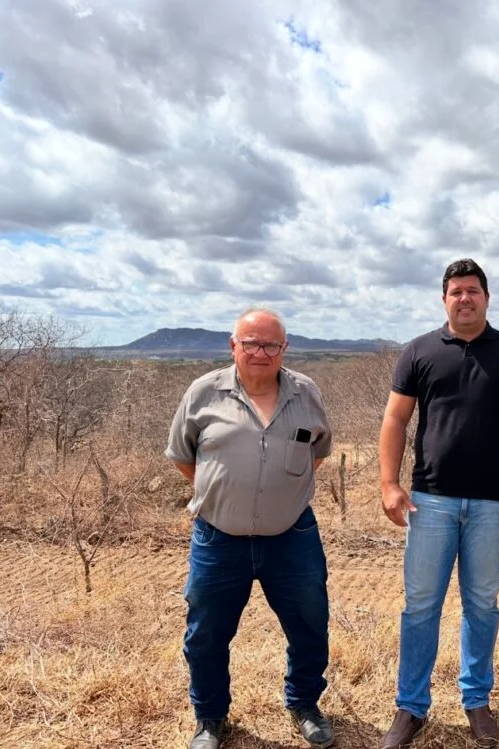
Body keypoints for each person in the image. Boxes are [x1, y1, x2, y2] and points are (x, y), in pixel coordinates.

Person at [378, 258, 499, 748]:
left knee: (482, 604)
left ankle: (476, 700)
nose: (465, 298)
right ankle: (411, 708)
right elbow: (395, 421)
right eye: (456, 291)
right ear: (445, 298)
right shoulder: (419, 351)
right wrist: (389, 483)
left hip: (495, 504)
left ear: (487, 298)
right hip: (430, 500)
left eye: (473, 290)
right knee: (420, 607)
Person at [165, 308, 335, 749]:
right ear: (233, 345)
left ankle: (304, 703)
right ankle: (210, 717)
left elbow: (318, 452)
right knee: (206, 633)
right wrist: (226, 493)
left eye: (270, 344)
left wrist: (277, 494)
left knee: (309, 625)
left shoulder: (307, 393)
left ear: (284, 348)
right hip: (218, 539)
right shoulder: (203, 393)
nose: (260, 352)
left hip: (292, 536)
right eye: (251, 343)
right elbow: (185, 458)